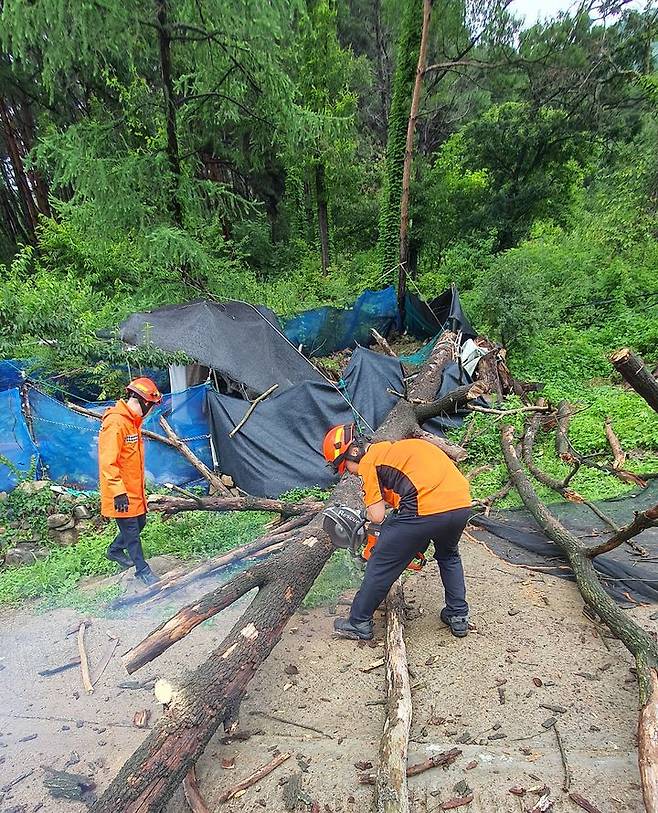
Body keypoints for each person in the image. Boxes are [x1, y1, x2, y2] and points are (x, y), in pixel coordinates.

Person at [322, 423, 472, 640]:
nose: (350, 474)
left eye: (345, 468)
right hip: (460, 504)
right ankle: (458, 615)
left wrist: (369, 520)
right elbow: (402, 498)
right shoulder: (397, 452)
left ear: (353, 452)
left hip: (425, 508)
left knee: (381, 562)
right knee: (449, 556)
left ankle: (358, 622)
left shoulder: (369, 463)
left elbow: (377, 516)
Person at [98, 377, 163, 586]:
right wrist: (118, 491)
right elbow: (108, 461)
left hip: (134, 490)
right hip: (121, 493)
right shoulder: (116, 422)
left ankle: (115, 550)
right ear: (144, 402)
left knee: (140, 522)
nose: (151, 411)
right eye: (152, 407)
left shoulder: (133, 422)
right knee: (132, 532)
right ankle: (143, 571)